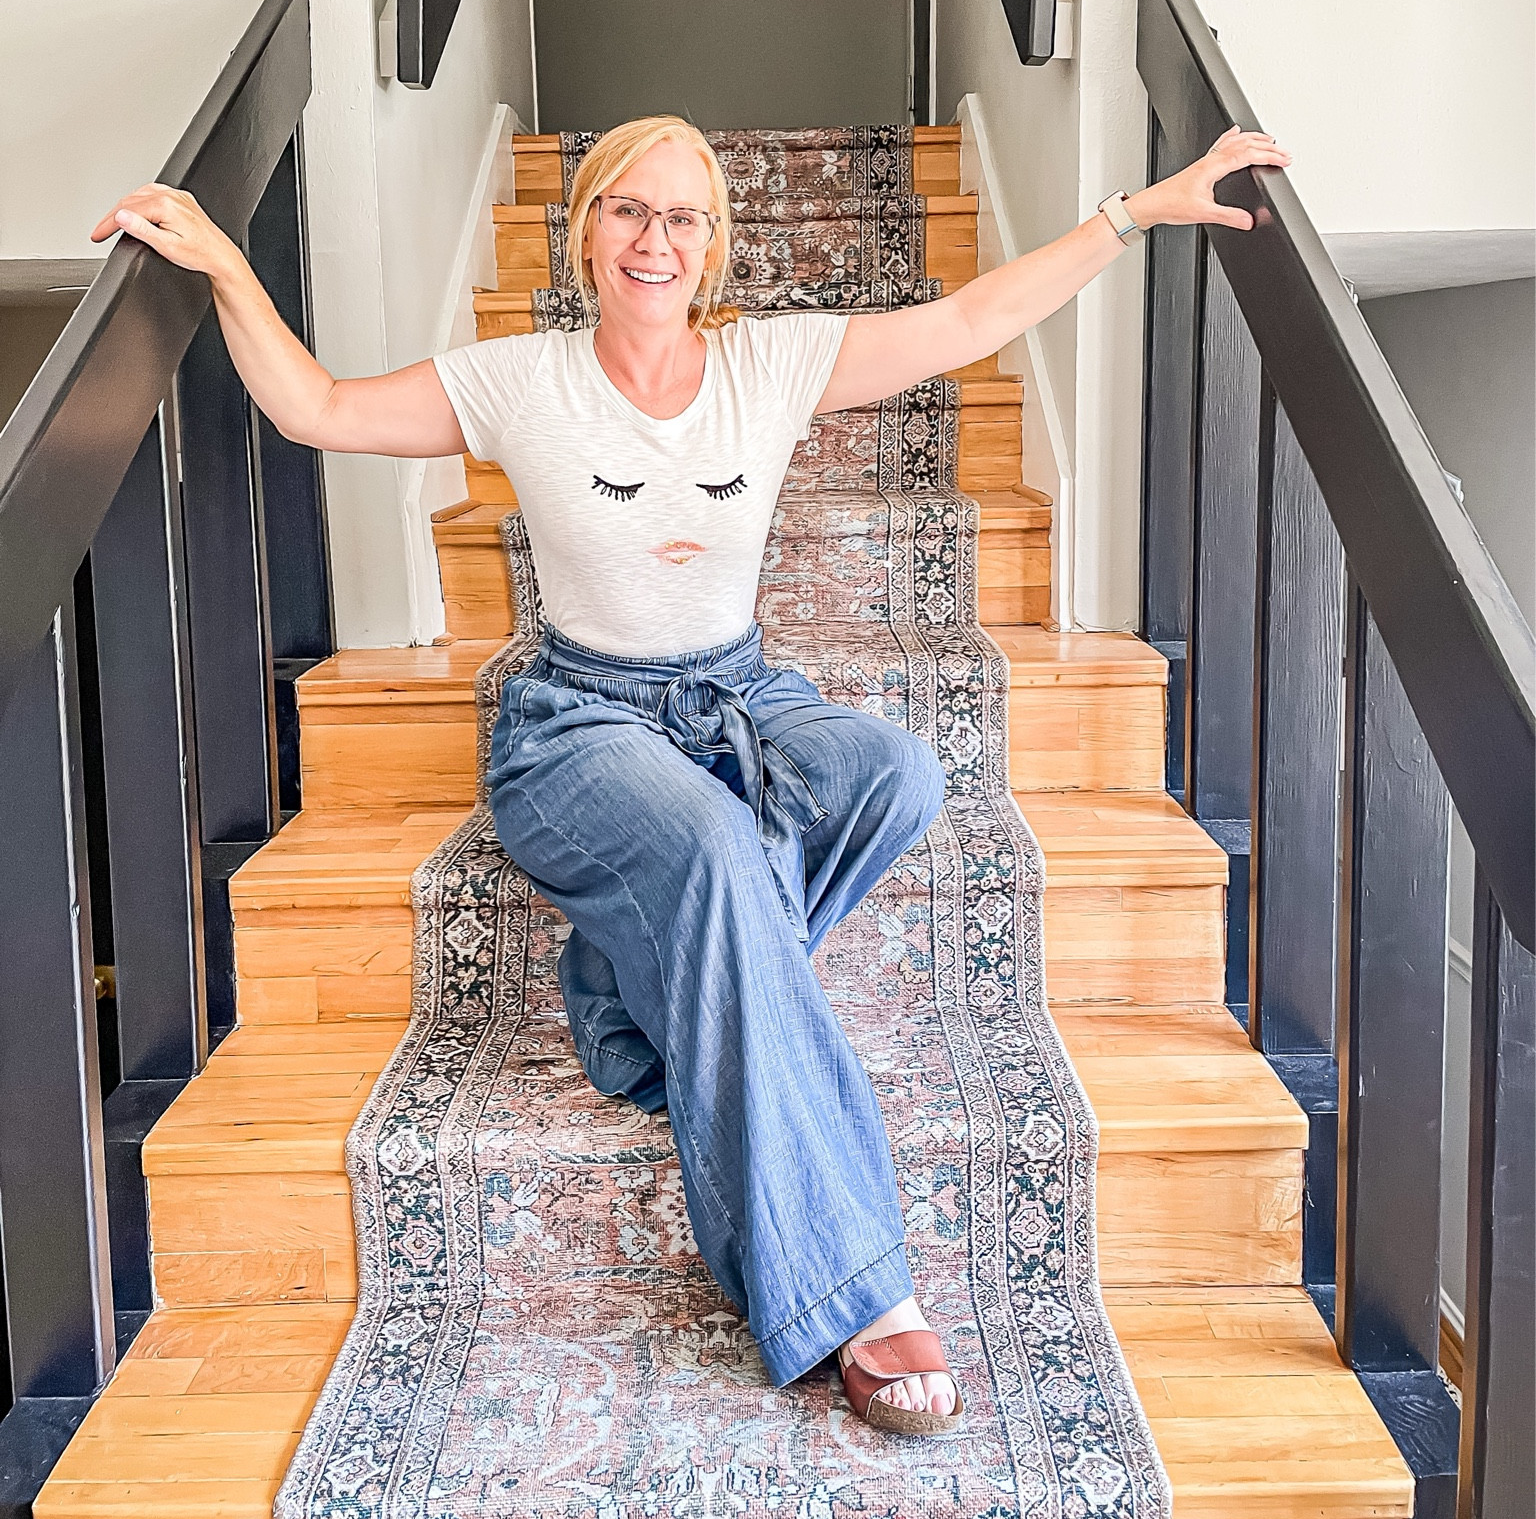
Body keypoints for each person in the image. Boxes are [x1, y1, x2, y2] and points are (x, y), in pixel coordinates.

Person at [94, 112, 1288, 1431]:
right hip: (575, 724)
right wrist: (220, 265)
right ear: (585, 228)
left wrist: (1136, 212)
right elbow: (315, 406)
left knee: (893, 774)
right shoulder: (517, 381)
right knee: (718, 849)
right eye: (627, 212)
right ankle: (859, 1290)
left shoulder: (767, 366)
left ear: (713, 247)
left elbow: (965, 323)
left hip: (737, 690)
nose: (654, 240)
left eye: (683, 219)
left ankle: (636, 993)